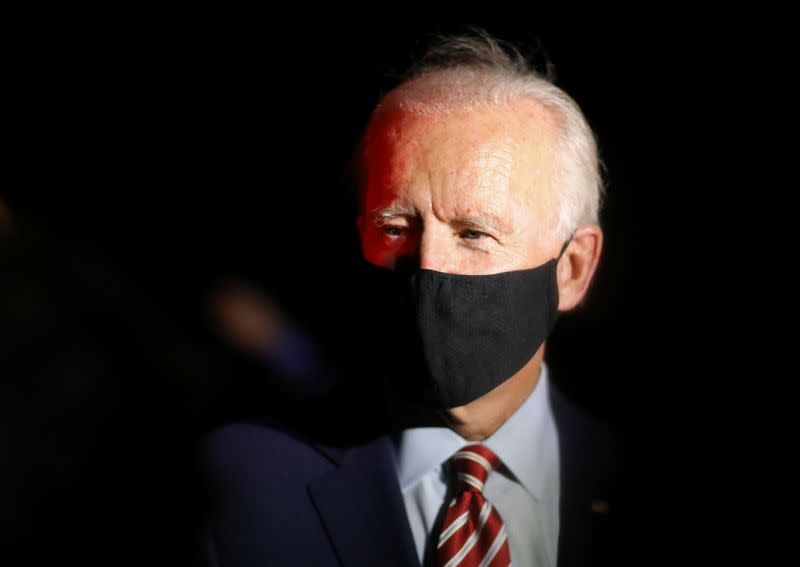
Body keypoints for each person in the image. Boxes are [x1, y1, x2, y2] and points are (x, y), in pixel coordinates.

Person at [197, 31, 625, 567]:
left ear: (573, 268)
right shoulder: (236, 489)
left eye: (474, 234)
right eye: (396, 228)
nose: (430, 267)